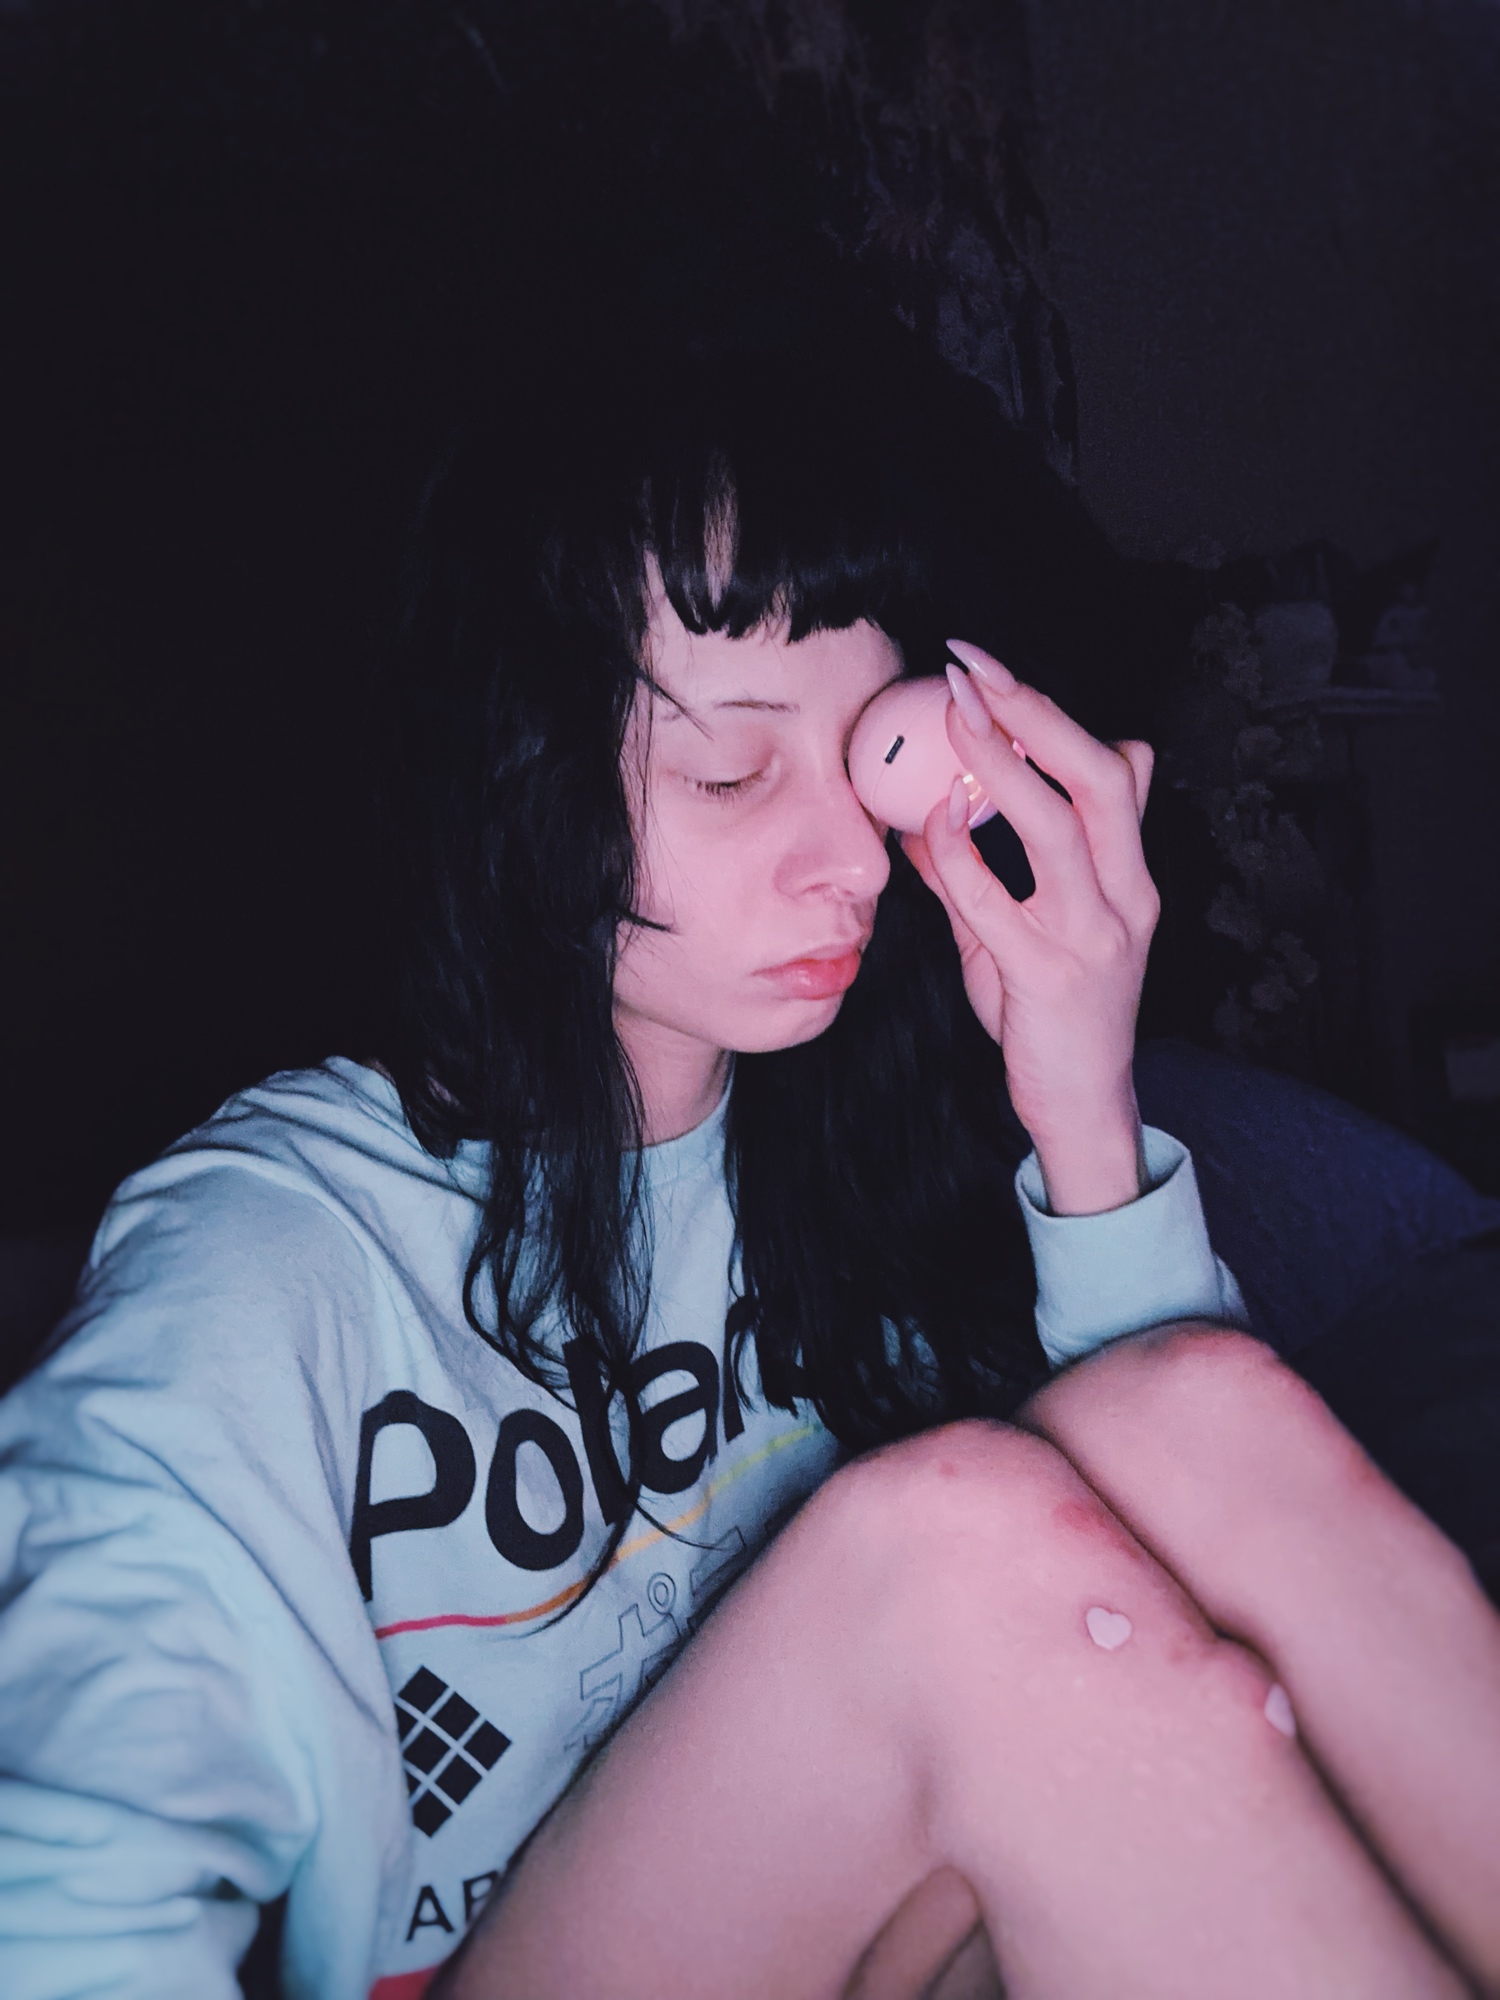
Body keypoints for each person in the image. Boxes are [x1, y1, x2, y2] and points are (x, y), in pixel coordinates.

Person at [1, 349, 1497, 2000]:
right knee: (949, 1556)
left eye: (863, 758)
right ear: (512, 766)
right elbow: (68, 1888)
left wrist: (1081, 1098)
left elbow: (1183, 1548)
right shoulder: (281, 1247)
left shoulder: (852, 1149)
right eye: (730, 773)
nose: (853, 858)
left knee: (1187, 1406)